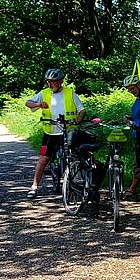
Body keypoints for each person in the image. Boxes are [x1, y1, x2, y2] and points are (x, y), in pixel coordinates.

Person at [24, 67, 85, 198]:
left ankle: (75, 182)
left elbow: (81, 110)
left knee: (74, 155)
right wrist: (38, 105)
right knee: (43, 159)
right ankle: (34, 186)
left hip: (68, 130)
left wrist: (79, 119)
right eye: (48, 82)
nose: (50, 84)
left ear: (60, 81)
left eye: (53, 81)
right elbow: (28, 103)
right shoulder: (44, 93)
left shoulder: (70, 93)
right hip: (50, 132)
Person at [123, 73, 140, 199]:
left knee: (139, 162)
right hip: (137, 135)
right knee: (139, 161)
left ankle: (132, 189)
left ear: (139, 85)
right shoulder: (138, 99)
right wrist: (130, 118)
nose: (131, 91)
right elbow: (139, 116)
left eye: (132, 88)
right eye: (129, 90)